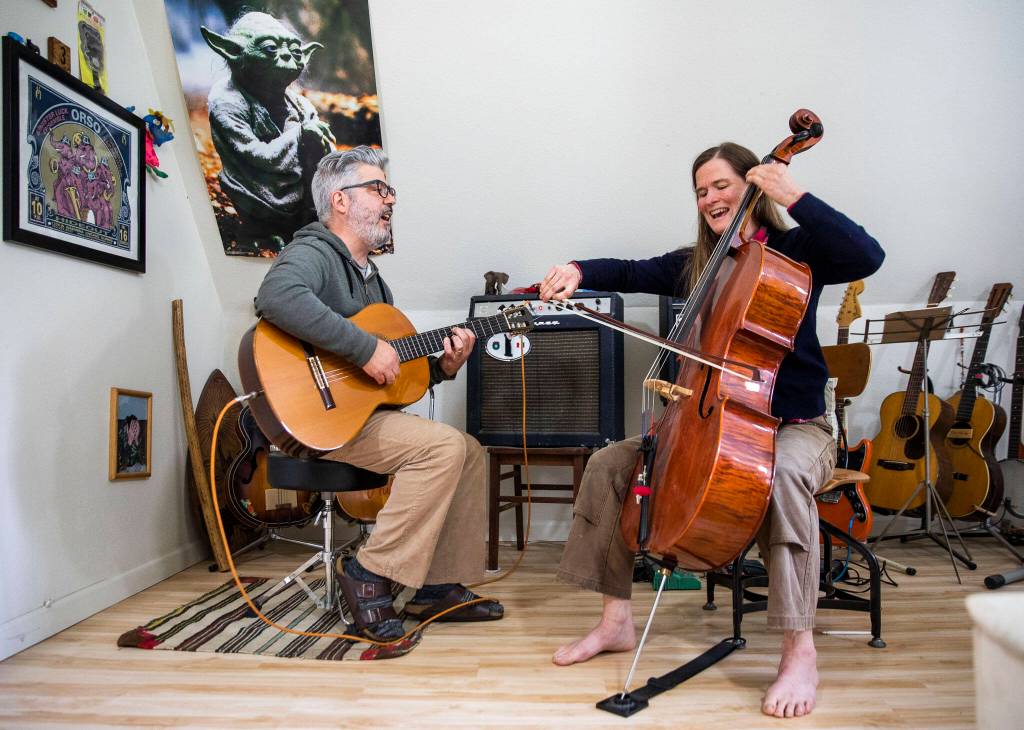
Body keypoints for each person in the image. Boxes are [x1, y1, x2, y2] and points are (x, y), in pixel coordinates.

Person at [538, 142, 884, 719]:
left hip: (796, 426)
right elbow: (629, 270)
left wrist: (791, 193)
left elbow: (867, 255)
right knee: (611, 464)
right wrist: (578, 269)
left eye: (722, 184)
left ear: (752, 183)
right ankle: (615, 621)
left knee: (784, 476)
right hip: (707, 420)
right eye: (701, 190)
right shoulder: (698, 263)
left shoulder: (798, 252)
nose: (710, 198)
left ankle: (799, 648)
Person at [255, 146, 503, 642]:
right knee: (443, 446)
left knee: (471, 451)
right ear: (340, 201)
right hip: (316, 418)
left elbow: (387, 379)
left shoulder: (375, 283)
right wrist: (364, 346)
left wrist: (441, 368)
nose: (390, 200)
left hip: (358, 417)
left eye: (390, 191)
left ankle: (436, 586)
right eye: (378, 189)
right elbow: (276, 296)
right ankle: (368, 574)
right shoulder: (315, 251)